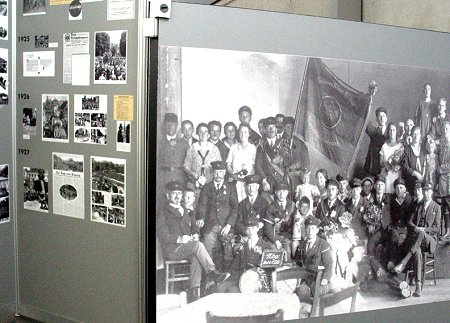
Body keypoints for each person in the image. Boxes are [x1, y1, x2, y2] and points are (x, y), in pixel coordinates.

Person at [157, 181, 230, 302]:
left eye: (179, 194)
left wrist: (195, 233)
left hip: (186, 248)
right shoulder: (162, 212)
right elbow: (162, 235)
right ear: (167, 194)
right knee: (197, 246)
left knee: (196, 257)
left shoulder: (184, 209)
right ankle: (212, 272)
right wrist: (179, 238)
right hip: (171, 249)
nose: (177, 197)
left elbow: (193, 226)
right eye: (174, 193)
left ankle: (194, 293)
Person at [393, 181, 441, 297]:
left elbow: (436, 228)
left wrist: (423, 230)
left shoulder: (436, 207)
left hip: (430, 241)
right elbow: (409, 222)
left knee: (421, 234)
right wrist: (416, 228)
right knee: (417, 251)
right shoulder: (418, 206)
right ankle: (418, 285)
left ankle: (403, 262)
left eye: (428, 191)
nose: (426, 193)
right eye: (424, 191)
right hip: (418, 242)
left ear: (432, 193)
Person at [196, 161, 239, 271]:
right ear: (212, 173)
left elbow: (235, 207)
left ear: (224, 172)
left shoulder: (231, 187)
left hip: (226, 226)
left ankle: (227, 276)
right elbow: (202, 205)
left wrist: (229, 225)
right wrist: (201, 217)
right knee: (205, 251)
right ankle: (209, 277)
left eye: (221, 172)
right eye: (216, 172)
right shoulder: (206, 187)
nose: (219, 175)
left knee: (230, 249)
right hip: (210, 226)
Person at [293, 216, 333, 297]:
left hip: (319, 278)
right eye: (308, 228)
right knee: (299, 292)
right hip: (306, 279)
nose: (310, 231)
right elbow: (298, 262)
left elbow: (329, 264)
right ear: (305, 230)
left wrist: (325, 279)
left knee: (316, 291)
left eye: (313, 228)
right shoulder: (302, 244)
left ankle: (324, 290)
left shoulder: (323, 244)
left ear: (317, 230)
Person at [157, 113, 189, 200]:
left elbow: (188, 164)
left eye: (173, 124)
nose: (170, 127)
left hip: (179, 177)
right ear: (164, 126)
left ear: (177, 126)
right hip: (163, 178)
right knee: (163, 202)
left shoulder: (184, 143)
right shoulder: (159, 143)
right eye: (168, 124)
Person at [262, 181, 295, 260]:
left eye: (283, 191)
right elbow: (267, 228)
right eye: (279, 191)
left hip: (287, 237)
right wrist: (275, 240)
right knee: (274, 255)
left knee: (288, 254)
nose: (281, 194)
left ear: (287, 192)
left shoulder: (292, 205)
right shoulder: (271, 207)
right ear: (276, 193)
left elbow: (294, 223)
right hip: (274, 237)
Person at [255, 117, 287, 198]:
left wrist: (281, 159)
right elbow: (258, 166)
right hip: (268, 182)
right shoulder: (261, 146)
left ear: (276, 129)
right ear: (265, 130)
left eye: (273, 127)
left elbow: (289, 161)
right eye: (268, 127)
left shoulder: (283, 143)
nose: (271, 129)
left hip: (281, 180)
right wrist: (264, 180)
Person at [183, 123, 221, 190]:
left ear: (208, 134)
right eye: (201, 132)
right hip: (194, 184)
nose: (203, 134)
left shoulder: (214, 149)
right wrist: (193, 174)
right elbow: (186, 166)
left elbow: (219, 167)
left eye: (205, 131)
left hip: (210, 185)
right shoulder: (192, 148)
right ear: (197, 133)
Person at [386, 178, 413, 271]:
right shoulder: (392, 199)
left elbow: (411, 216)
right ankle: (392, 262)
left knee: (402, 240)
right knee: (393, 236)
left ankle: (403, 266)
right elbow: (388, 212)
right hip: (394, 226)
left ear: (405, 189)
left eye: (401, 188)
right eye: (397, 188)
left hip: (405, 227)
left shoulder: (409, 199)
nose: (399, 190)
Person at [226, 124, 257, 202]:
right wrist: (234, 175)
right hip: (235, 181)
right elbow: (228, 165)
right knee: (235, 202)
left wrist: (248, 177)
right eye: (241, 132)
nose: (243, 134)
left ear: (249, 134)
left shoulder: (253, 148)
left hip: (248, 182)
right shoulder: (233, 147)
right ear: (238, 133)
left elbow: (254, 166)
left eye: (245, 132)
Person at [234, 174, 269, 239]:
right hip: (245, 236)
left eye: (253, 186)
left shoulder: (264, 203)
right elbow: (238, 222)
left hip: (260, 237)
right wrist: (246, 233)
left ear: (258, 187)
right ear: (246, 187)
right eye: (249, 186)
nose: (251, 189)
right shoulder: (242, 204)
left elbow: (265, 222)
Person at [281, 116, 310, 191]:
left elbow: (306, 161)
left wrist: (304, 175)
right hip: (285, 176)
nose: (290, 129)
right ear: (283, 127)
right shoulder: (280, 142)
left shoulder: (300, 143)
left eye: (292, 126)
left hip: (298, 175)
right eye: (287, 126)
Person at [366, 175, 391, 257]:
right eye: (378, 184)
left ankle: (384, 268)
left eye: (382, 185)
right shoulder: (370, 199)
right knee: (370, 245)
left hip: (387, 229)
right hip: (375, 229)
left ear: (384, 186)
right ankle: (374, 267)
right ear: (375, 186)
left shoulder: (389, 198)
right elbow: (366, 214)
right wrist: (369, 224)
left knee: (388, 248)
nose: (380, 187)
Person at [380, 123, 404, 194]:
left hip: (396, 174)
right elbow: (381, 163)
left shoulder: (400, 147)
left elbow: (403, 163)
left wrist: (397, 166)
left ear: (396, 131)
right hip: (386, 175)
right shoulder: (384, 146)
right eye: (390, 130)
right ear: (388, 131)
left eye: (394, 130)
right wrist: (387, 164)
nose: (392, 132)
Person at [402, 126, 427, 195]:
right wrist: (416, 174)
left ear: (420, 135)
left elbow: (426, 163)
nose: (416, 136)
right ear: (411, 135)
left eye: (418, 134)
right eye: (414, 134)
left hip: (422, 181)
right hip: (411, 182)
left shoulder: (423, 149)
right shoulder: (407, 150)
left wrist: (422, 175)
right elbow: (405, 166)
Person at [364, 107, 388, 176]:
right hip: (374, 164)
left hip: (386, 164)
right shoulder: (373, 132)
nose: (382, 118)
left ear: (386, 118)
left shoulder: (391, 132)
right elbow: (366, 122)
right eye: (379, 116)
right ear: (376, 119)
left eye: (383, 116)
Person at [345, 178, 368, 245]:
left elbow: (367, 223)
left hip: (362, 235)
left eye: (357, 189)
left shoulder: (365, 202)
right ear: (350, 190)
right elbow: (346, 222)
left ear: (360, 190)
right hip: (351, 234)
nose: (355, 192)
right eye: (353, 190)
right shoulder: (347, 204)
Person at [437, 122, 450, 240]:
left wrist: (440, 169)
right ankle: (447, 230)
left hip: (449, 178)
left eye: (447, 128)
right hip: (442, 180)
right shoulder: (442, 145)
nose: (445, 131)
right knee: (445, 205)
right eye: (444, 129)